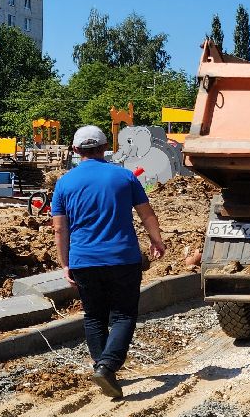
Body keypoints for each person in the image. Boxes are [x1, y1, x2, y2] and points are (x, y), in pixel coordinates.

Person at [51, 125, 165, 400]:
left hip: (84, 260)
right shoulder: (124, 177)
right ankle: (107, 366)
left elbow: (59, 229)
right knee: (124, 315)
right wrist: (156, 240)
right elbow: (147, 215)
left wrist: (65, 263)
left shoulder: (64, 183)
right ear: (105, 149)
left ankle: (103, 368)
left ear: (76, 150)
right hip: (122, 258)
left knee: (94, 316)